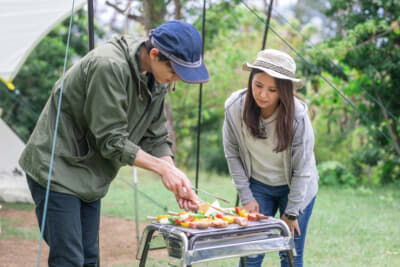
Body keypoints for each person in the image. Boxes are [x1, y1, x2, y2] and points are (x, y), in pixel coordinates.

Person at [19, 20, 208, 266]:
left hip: (90, 175)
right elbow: (111, 140)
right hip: (56, 168)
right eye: (174, 72)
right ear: (153, 54)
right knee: (69, 260)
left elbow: (156, 136)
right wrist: (162, 169)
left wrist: (173, 173)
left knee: (89, 259)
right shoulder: (109, 66)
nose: (176, 80)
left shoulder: (155, 76)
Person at [222, 49, 319, 267]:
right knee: (251, 252)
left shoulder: (298, 117)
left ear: (284, 91)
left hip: (296, 190)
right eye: (258, 85)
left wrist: (292, 213)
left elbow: (303, 169)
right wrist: (246, 197)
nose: (263, 94)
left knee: (290, 252)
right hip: (259, 185)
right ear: (250, 81)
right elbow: (232, 153)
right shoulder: (234, 108)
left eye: (272, 89)